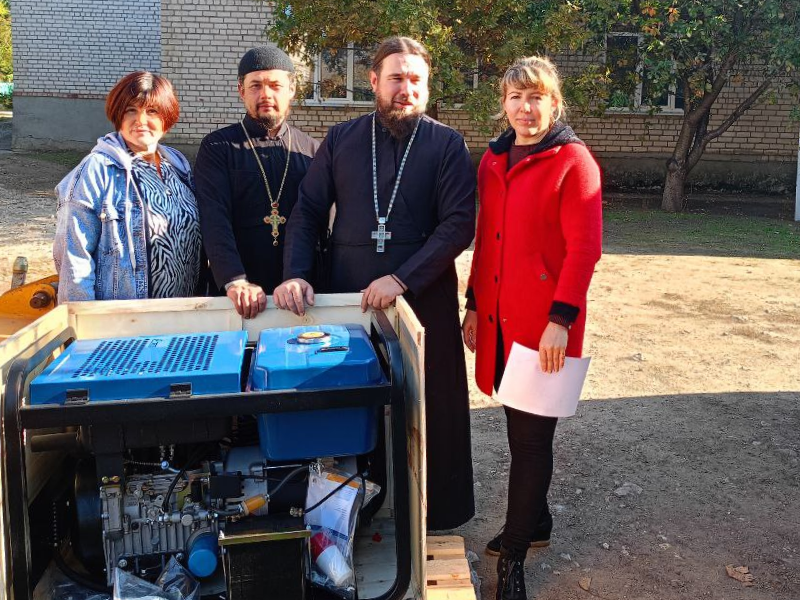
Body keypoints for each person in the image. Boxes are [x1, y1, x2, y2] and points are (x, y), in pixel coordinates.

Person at [274, 36, 476, 531]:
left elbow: (457, 224)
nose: (406, 89)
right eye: (396, 78)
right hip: (350, 295)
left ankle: (436, 511)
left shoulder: (446, 143)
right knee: (353, 400)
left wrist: (402, 278)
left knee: (431, 400)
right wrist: (296, 273)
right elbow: (308, 212)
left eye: (415, 80)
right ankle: (352, 510)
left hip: (422, 293)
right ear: (374, 82)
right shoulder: (342, 139)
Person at [461, 56, 603, 599]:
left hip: (546, 327)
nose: (526, 107)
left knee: (531, 439)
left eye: (536, 96)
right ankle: (537, 522)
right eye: (516, 96)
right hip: (498, 320)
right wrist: (473, 303)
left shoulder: (574, 162)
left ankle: (513, 557)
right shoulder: (493, 160)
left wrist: (560, 321)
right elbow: (487, 236)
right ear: (503, 102)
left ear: (554, 102)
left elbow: (585, 249)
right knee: (519, 432)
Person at [54, 71, 202, 302]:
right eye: (130, 110)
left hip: (182, 315)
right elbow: (74, 259)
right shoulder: (97, 170)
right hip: (124, 320)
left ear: (167, 117)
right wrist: (84, 324)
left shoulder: (178, 167)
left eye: (152, 111)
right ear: (118, 114)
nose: (140, 121)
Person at [194, 46, 319, 318]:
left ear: (291, 90)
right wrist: (234, 279)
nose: (266, 95)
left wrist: (299, 276)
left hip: (299, 293)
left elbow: (318, 221)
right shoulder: (218, 147)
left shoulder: (310, 150)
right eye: (255, 86)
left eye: (275, 85)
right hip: (237, 296)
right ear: (241, 90)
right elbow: (214, 218)